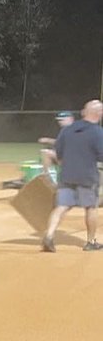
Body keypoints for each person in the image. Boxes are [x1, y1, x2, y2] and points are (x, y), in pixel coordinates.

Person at [41, 98, 103, 252]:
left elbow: (59, 152)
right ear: (99, 114)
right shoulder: (97, 132)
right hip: (87, 176)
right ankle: (91, 242)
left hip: (67, 174)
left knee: (62, 206)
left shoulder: (67, 130)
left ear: (83, 112)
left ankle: (48, 236)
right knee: (90, 208)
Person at [38, 110, 76, 181]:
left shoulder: (71, 129)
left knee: (45, 152)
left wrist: (48, 140)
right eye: (59, 120)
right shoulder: (70, 128)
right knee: (49, 151)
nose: (60, 122)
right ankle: (52, 175)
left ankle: (46, 178)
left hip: (71, 160)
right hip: (72, 158)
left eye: (62, 120)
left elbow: (65, 143)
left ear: (70, 119)